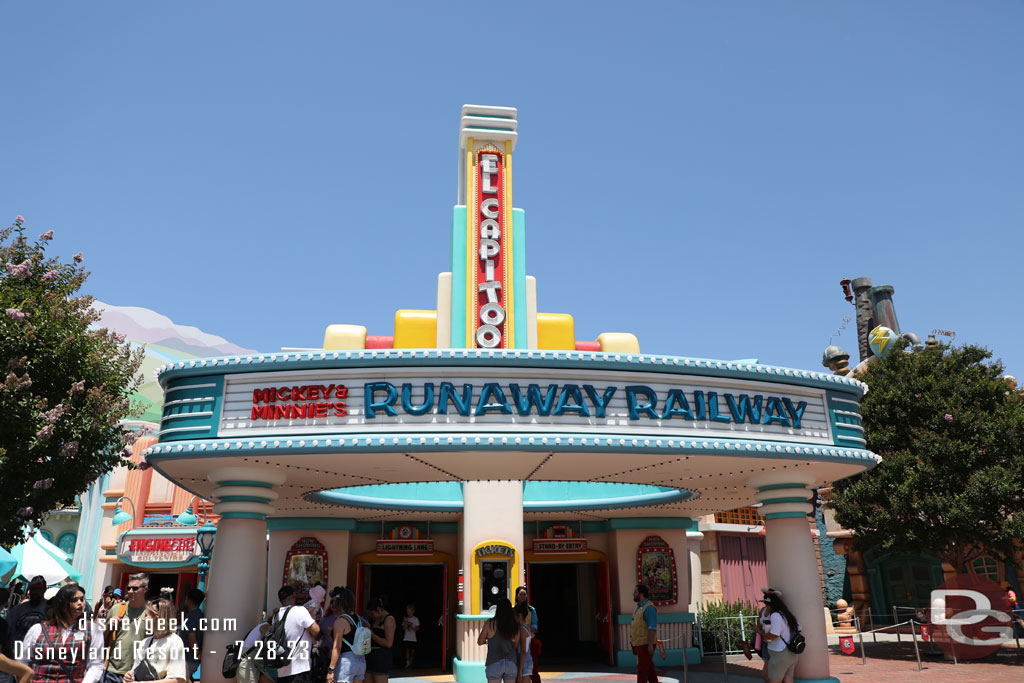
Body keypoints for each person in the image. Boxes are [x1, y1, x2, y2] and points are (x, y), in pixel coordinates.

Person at [18, 583, 103, 683]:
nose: (80, 603)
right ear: (62, 604)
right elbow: (22, 662)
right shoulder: (38, 630)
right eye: (74, 600)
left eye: (82, 599)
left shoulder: (92, 629)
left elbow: (96, 665)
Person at [123, 596, 186, 683]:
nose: (143, 619)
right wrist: (129, 676)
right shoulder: (145, 642)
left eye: (146, 615)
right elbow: (135, 671)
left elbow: (178, 679)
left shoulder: (175, 641)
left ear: (156, 618)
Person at [104, 573, 150, 683]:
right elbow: (101, 639)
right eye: (128, 588)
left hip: (137, 673)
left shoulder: (151, 611)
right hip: (112, 671)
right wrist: (108, 627)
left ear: (145, 589)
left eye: (135, 588)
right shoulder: (116, 609)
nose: (130, 591)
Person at [273, 585, 321, 683]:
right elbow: (316, 630)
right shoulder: (300, 610)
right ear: (294, 595)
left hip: (281, 668)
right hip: (300, 668)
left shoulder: (276, 616)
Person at [753, 588, 801, 683]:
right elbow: (799, 628)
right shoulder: (786, 614)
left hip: (779, 653)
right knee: (788, 679)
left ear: (769, 604)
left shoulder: (775, 615)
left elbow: (774, 635)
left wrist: (760, 632)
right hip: (791, 653)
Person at [476, 599, 520, 683]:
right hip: (510, 662)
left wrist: (489, 641)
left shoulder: (490, 623)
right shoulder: (514, 625)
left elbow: (480, 641)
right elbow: (515, 645)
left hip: (494, 662)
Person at [325, 588, 364, 683]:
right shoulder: (357, 618)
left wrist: (331, 670)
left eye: (334, 601)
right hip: (360, 661)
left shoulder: (340, 621)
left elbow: (337, 647)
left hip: (346, 661)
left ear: (340, 603)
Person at [7, 578, 47, 653]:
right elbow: (8, 632)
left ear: (44, 589)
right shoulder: (17, 610)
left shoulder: (51, 609)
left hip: (40, 653)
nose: (35, 592)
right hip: (18, 653)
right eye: (33, 588)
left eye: (38, 589)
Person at [629, 584, 657, 683]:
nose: (633, 594)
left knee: (642, 671)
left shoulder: (649, 608)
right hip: (639, 644)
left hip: (645, 644)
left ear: (642, 594)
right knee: (649, 669)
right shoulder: (638, 607)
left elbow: (652, 628)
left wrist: (650, 645)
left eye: (635, 592)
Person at [363, 599, 394, 683]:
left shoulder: (388, 619)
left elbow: (388, 643)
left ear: (379, 609)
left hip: (381, 657)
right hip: (370, 655)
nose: (371, 616)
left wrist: (372, 635)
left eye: (372, 613)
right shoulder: (375, 620)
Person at [514, 587, 539, 683]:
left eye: (525, 594)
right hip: (516, 643)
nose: (523, 596)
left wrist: (526, 626)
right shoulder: (513, 610)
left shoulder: (531, 610)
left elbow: (535, 626)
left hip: (529, 642)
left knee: (533, 670)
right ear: (516, 596)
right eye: (521, 594)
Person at [178, 590, 204, 682]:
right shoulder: (199, 614)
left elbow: (192, 639)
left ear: (189, 600)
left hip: (188, 660)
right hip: (192, 660)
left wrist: (197, 655)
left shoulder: (191, 617)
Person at [514, 603, 533, 683]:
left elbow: (523, 651)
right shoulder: (526, 628)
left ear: (520, 616)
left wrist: (519, 672)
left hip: (524, 662)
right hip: (526, 661)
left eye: (514, 615)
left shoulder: (522, 630)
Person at [400, 605, 418, 669]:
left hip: (413, 638)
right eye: (407, 612)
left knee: (412, 651)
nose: (408, 613)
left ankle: (411, 662)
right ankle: (407, 662)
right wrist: (405, 624)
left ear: (413, 611)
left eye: (410, 611)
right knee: (407, 650)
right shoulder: (406, 619)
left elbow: (418, 627)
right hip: (406, 637)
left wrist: (412, 629)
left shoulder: (415, 619)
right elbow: (403, 628)